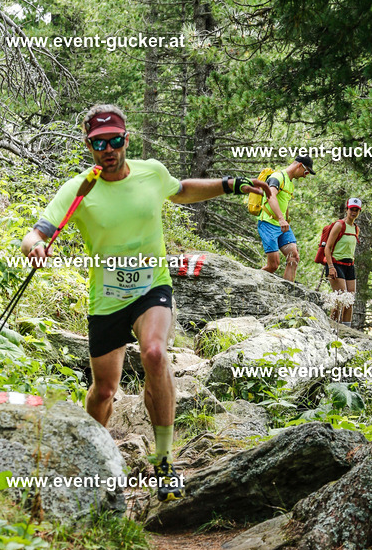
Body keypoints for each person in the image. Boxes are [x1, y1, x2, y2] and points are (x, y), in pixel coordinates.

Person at [20, 104, 271, 502]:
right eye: (99, 143)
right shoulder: (78, 189)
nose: (108, 149)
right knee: (104, 390)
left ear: (126, 139)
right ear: (88, 144)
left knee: (155, 353)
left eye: (115, 140)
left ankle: (163, 460)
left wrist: (231, 184)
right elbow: (37, 232)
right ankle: (93, 454)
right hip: (107, 298)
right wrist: (36, 247)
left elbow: (182, 190)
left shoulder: (151, 172)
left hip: (152, 286)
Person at [258, 157, 315, 282]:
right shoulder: (277, 177)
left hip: (282, 226)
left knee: (294, 257)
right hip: (268, 223)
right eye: (306, 172)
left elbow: (284, 203)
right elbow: (270, 196)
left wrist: (286, 219)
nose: (305, 176)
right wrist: (281, 218)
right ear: (299, 165)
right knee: (273, 265)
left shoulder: (290, 183)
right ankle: (253, 279)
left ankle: (287, 292)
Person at [325, 198, 361, 323]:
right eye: (352, 209)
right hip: (335, 264)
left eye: (356, 210)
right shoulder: (339, 225)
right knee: (340, 299)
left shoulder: (356, 229)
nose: (354, 212)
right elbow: (327, 248)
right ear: (347, 210)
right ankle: (332, 328)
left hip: (349, 265)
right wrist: (331, 267)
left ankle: (347, 331)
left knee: (349, 301)